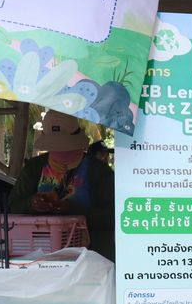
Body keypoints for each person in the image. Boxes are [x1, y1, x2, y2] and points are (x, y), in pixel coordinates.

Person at [9, 111, 115, 261]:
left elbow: (114, 216)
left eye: (65, 147)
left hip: (90, 257)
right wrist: (31, 204)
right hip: (38, 256)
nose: (61, 151)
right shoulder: (34, 168)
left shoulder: (98, 171)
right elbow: (12, 207)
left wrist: (72, 209)